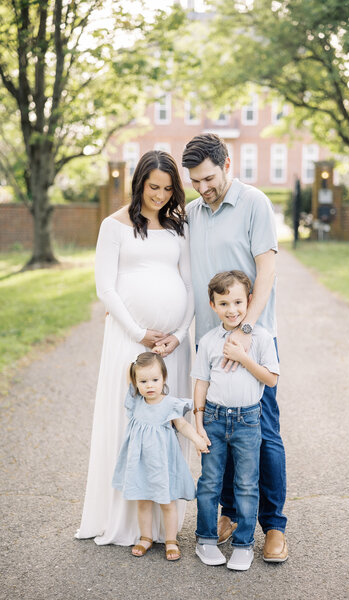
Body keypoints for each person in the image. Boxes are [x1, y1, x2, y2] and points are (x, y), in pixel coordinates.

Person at [76, 150, 194, 546]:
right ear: (139, 183)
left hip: (172, 347)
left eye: (166, 188)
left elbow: (190, 285)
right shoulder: (114, 226)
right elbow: (105, 287)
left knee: (166, 425)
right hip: (130, 341)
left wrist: (177, 333)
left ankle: (164, 525)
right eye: (152, 187)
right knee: (129, 423)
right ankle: (125, 519)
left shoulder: (179, 228)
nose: (159, 195)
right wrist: (140, 332)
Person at [182, 133, 288, 563]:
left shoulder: (254, 203)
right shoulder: (191, 212)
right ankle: (227, 514)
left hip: (251, 339)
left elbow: (267, 270)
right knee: (219, 434)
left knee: (261, 433)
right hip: (208, 343)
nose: (203, 188)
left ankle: (274, 527)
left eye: (209, 178)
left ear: (227, 163)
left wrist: (245, 328)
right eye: (195, 182)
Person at [193, 271, 279, 571]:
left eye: (238, 301)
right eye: (224, 303)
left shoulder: (262, 338)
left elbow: (270, 379)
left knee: (246, 484)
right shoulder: (208, 341)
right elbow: (201, 382)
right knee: (209, 482)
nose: (232, 309)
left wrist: (243, 358)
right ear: (213, 305)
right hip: (214, 418)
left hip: (248, 421)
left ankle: (243, 545)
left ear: (249, 301)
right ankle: (204, 539)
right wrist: (198, 423)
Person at [112, 352, 209, 560]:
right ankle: (146, 537)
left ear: (164, 378)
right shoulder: (136, 402)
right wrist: (134, 370)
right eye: (143, 381)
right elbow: (128, 375)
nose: (150, 385)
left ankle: (171, 540)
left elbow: (182, 425)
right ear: (136, 382)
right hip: (140, 464)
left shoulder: (169, 404)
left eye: (155, 380)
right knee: (143, 501)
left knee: (167, 503)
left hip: (163, 464)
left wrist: (197, 440)